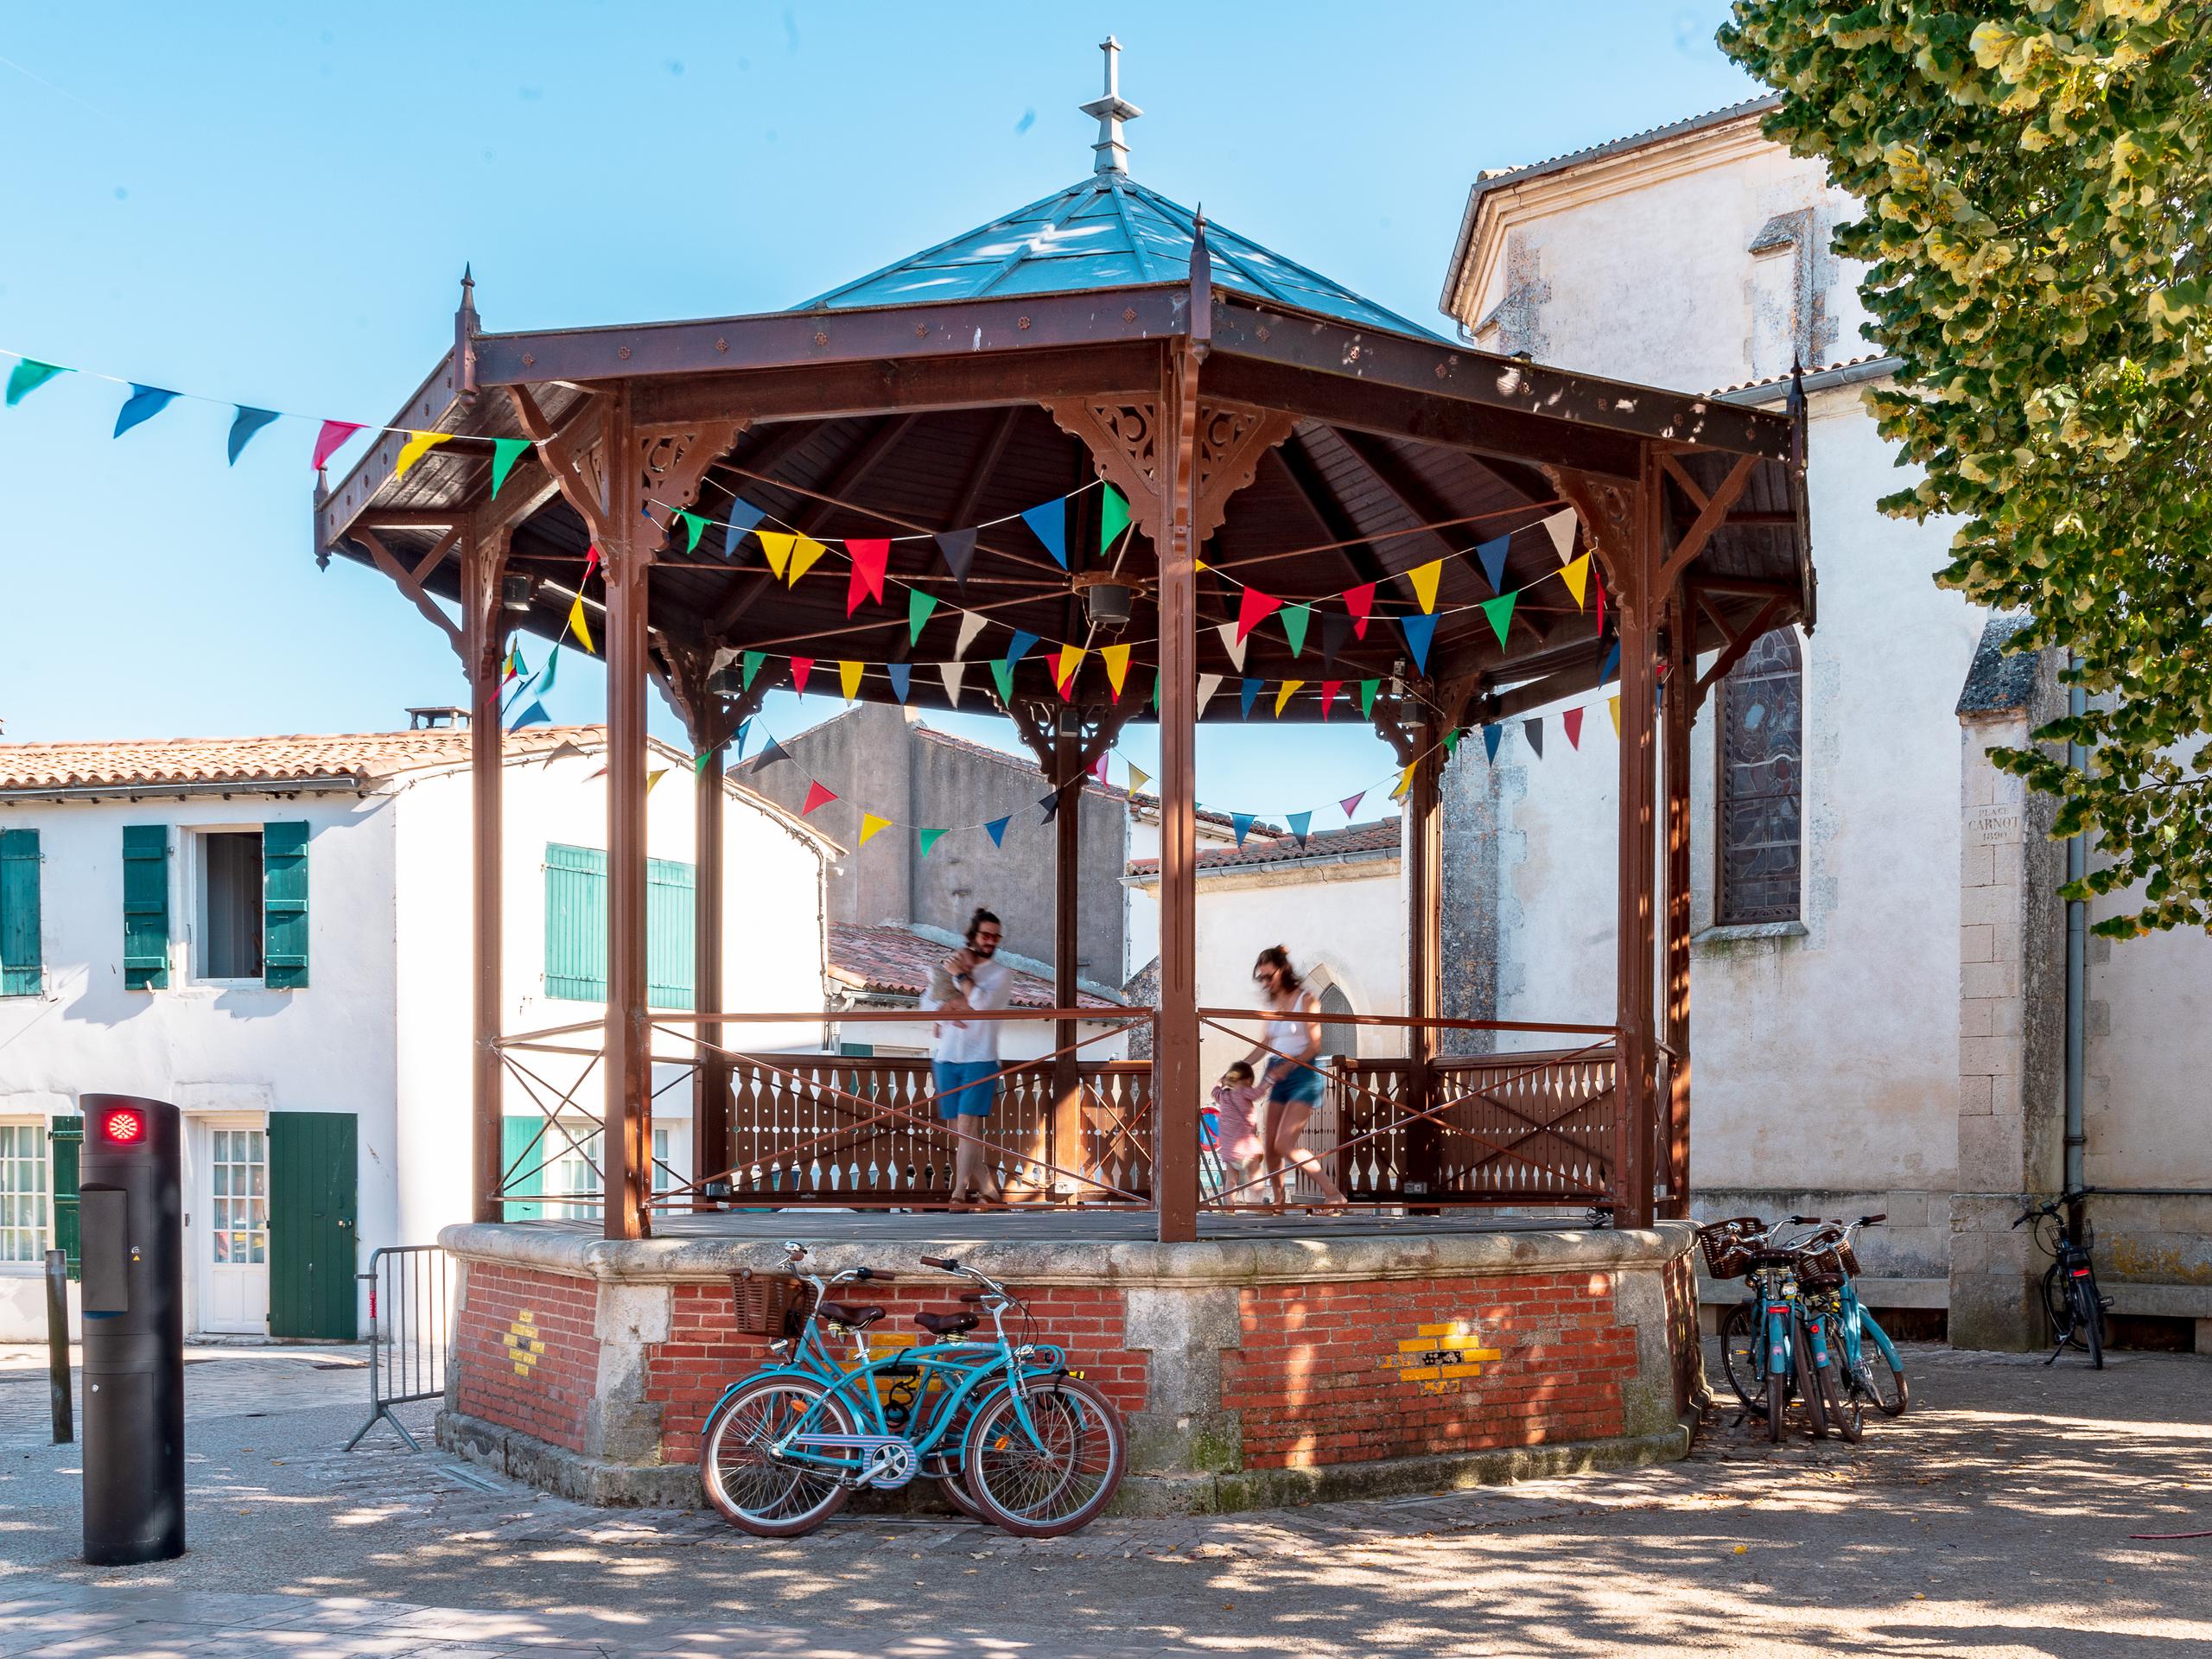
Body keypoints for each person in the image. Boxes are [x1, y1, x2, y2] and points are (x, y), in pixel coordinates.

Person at [921, 907, 1014, 1208]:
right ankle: (990, 1192)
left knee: (967, 1127)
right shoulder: (946, 968)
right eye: (986, 935)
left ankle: (958, 1193)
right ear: (973, 935)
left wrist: (959, 980)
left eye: (996, 936)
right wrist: (949, 1006)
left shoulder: (1000, 974)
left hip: (981, 1057)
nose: (991, 941)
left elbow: (982, 1004)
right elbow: (927, 1004)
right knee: (959, 1130)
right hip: (947, 1057)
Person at [1247, 945, 1347, 1208]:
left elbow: (1314, 1046)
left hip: (1302, 1073)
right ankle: (1279, 1202)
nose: (1265, 983)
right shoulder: (1273, 1004)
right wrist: (1238, 1069)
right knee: (1269, 1146)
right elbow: (1265, 1043)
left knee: (1284, 1143)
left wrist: (1287, 1067)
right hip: (1276, 1072)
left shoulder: (1307, 999)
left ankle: (1333, 1194)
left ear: (1283, 971)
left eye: (1269, 977)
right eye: (1262, 978)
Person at [1209, 1060, 1268, 1201]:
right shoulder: (1244, 1091)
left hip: (1230, 1150)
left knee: (1231, 1180)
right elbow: (1259, 1093)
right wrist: (1270, 1078)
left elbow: (1214, 1091)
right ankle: (1255, 1205)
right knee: (1255, 1177)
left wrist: (1222, 1080)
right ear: (1248, 1080)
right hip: (1248, 1148)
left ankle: (1229, 1208)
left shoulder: (1223, 1096)